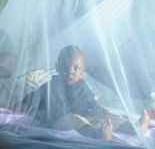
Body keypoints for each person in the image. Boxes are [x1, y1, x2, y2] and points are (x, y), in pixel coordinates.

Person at [20, 45, 150, 139]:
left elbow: (91, 103)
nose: (70, 71)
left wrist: (103, 112)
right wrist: (18, 106)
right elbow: (33, 98)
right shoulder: (50, 86)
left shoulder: (82, 86)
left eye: (76, 68)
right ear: (57, 67)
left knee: (108, 118)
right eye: (65, 66)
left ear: (82, 72)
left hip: (86, 116)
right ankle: (99, 134)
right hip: (59, 120)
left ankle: (132, 128)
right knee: (74, 120)